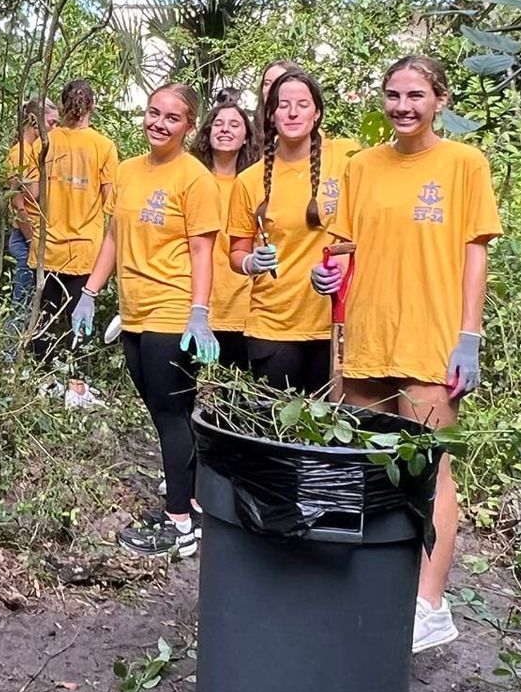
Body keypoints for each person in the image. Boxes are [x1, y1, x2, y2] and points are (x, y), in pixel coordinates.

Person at [320, 55, 500, 653]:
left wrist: (468, 336)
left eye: (416, 95)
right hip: (369, 338)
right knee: (362, 466)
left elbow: (476, 253)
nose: (403, 106)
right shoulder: (362, 167)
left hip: (430, 339)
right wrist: (330, 276)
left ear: (440, 100)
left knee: (430, 472)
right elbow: (343, 246)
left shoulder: (463, 164)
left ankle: (430, 604)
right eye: (394, 94)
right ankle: (369, 581)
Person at [71, 84, 221, 557]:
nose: (159, 123)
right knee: (162, 413)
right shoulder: (128, 170)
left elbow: (203, 250)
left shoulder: (194, 178)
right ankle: (191, 502)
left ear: (189, 125)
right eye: (154, 112)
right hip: (134, 310)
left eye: (172, 118)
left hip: (173, 309)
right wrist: (90, 293)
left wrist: (199, 313)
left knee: (172, 413)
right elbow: (114, 237)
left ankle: (179, 524)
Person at [228, 68, 357, 393]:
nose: (293, 112)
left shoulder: (348, 159)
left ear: (317, 112)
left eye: (303, 103)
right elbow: (236, 252)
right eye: (283, 104)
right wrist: (250, 262)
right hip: (272, 325)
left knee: (326, 434)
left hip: (335, 323)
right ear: (270, 113)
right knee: (275, 434)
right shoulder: (249, 180)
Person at [29, 79, 118, 362]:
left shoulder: (46, 141)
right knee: (80, 324)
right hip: (85, 251)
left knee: (44, 323)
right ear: (92, 104)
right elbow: (111, 203)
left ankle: (40, 379)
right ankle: (76, 382)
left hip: (47, 248)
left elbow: (30, 193)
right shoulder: (103, 146)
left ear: (64, 103)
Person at [191, 94, 259, 368]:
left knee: (237, 393)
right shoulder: (192, 178)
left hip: (243, 304)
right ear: (207, 133)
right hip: (195, 302)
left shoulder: (256, 183)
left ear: (246, 137)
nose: (225, 130)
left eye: (234, 125)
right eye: (219, 124)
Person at [2, 100, 58, 318]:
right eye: (51, 123)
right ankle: (10, 351)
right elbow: (18, 202)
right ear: (34, 121)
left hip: (36, 235)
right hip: (26, 237)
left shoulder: (36, 153)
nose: (54, 129)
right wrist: (31, 238)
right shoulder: (20, 154)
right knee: (21, 303)